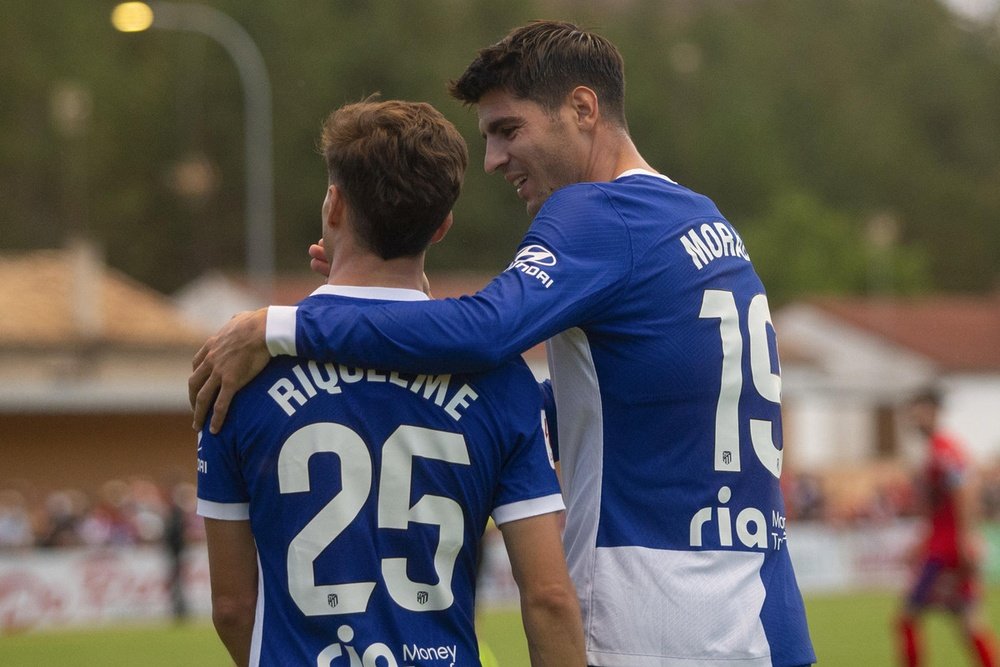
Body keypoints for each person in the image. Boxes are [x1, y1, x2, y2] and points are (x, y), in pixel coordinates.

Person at [190, 21, 815, 667]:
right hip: (764, 607)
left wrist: (280, 327)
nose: (492, 160)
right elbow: (619, 401)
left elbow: (486, 330)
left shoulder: (597, 212)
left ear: (582, 108)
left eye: (508, 130)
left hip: (657, 608)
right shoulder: (703, 220)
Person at [195, 98, 585, 666]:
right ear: (443, 227)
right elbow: (549, 597)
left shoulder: (239, 367)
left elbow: (231, 606)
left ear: (333, 205)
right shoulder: (500, 379)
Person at [897, 387, 997, 667]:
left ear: (932, 411)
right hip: (943, 543)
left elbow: (965, 489)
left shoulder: (943, 449)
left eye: (917, 412)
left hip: (946, 549)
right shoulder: (938, 450)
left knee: (907, 616)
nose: (913, 420)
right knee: (967, 620)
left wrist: (966, 538)